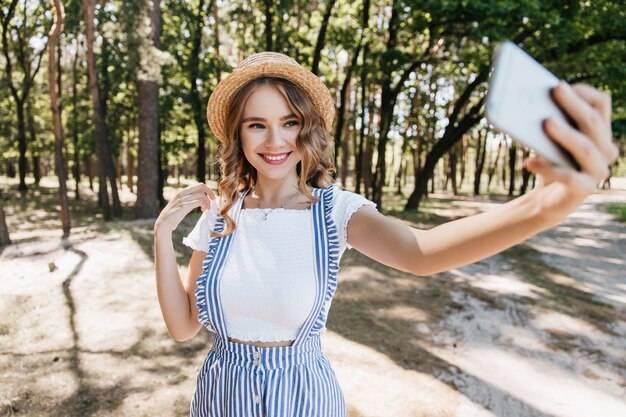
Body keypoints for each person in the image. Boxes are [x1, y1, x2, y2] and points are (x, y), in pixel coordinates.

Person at [153, 52, 618, 417]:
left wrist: (542, 206)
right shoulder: (221, 215)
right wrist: (161, 236)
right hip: (218, 401)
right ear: (239, 134)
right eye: (258, 125)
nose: (276, 141)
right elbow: (183, 326)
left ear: (307, 128)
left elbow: (423, 252)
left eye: (289, 122)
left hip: (302, 402)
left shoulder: (334, 211)